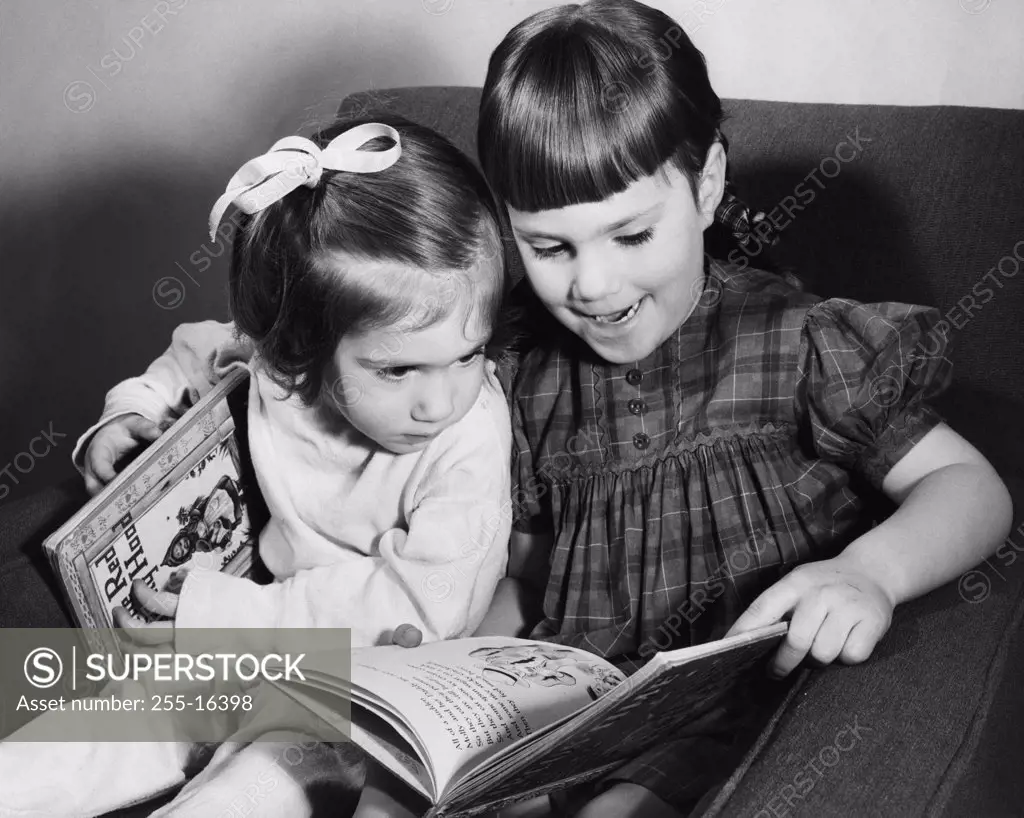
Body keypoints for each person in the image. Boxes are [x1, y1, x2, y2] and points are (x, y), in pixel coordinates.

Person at [398, 2, 1014, 816]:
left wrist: (870, 574)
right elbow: (527, 574)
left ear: (707, 184)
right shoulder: (528, 376)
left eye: (631, 236)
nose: (592, 285)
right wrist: (450, 662)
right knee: (388, 782)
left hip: (728, 703)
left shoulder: (795, 341)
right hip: (575, 707)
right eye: (549, 247)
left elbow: (975, 491)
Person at [0, 114, 515, 818]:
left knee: (261, 782)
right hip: (251, 632)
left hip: (374, 671)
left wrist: (222, 616)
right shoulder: (278, 366)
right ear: (303, 347)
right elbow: (189, 354)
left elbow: (426, 604)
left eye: (469, 352)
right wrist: (124, 415)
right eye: (398, 369)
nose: (441, 399)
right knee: (92, 736)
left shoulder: (471, 433)